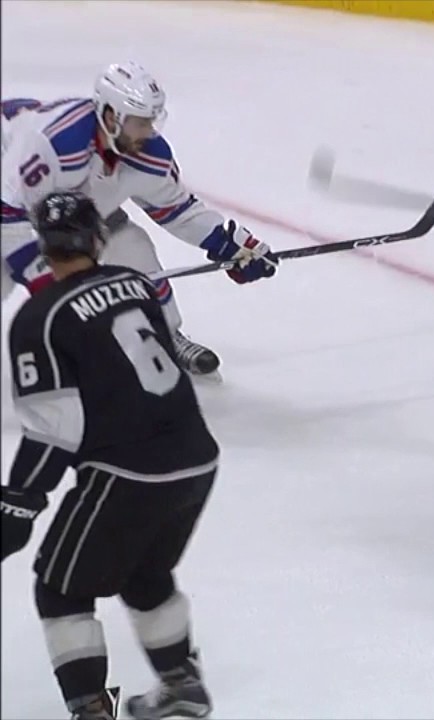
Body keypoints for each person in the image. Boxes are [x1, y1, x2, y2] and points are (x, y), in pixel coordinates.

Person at [1, 192, 219, 719]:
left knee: (60, 590)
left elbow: (56, 428)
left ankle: (92, 711)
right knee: (145, 576)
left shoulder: (39, 319)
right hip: (196, 458)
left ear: (44, 247)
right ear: (97, 238)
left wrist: (19, 502)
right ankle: (181, 684)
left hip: (128, 472)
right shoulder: (138, 286)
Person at [1, 61, 279, 380]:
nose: (147, 132)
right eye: (139, 123)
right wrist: (47, 281)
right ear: (109, 117)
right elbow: (7, 218)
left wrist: (229, 245)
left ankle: (163, 333)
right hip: (8, 192)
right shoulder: (54, 142)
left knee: (130, 245)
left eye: (150, 121)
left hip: (71, 207)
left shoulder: (149, 154)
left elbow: (177, 209)